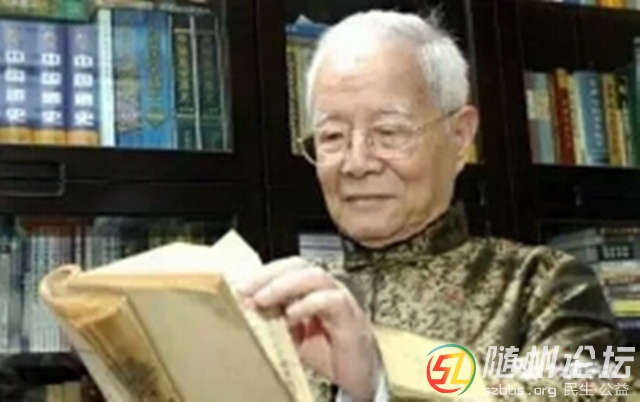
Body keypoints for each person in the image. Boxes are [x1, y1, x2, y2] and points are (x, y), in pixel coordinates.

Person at [240, 8, 638, 402]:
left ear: (460, 136)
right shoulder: (287, 302)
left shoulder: (542, 285)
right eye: (332, 137)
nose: (356, 163)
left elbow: (594, 392)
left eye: (389, 131)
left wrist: (379, 381)